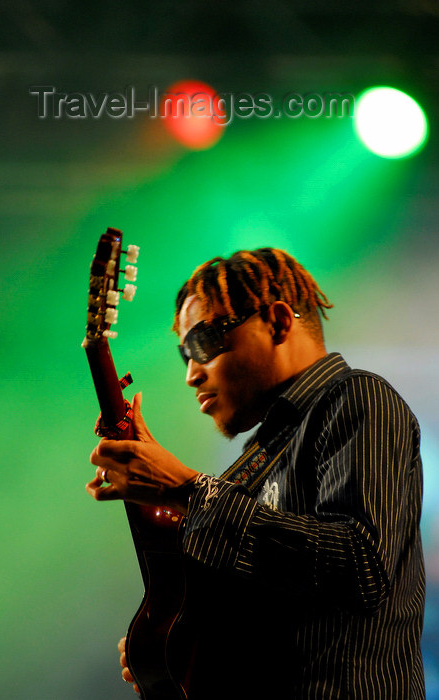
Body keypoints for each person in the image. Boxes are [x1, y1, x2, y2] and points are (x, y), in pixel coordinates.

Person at [86, 247, 425, 699]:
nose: (191, 373)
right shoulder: (257, 456)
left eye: (203, 344)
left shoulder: (358, 399)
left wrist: (189, 492)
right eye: (183, 354)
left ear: (279, 321)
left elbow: (360, 567)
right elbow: (264, 605)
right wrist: (178, 641)